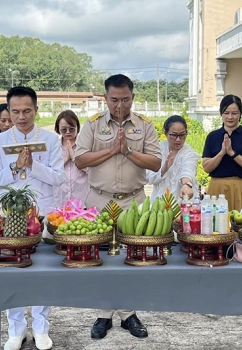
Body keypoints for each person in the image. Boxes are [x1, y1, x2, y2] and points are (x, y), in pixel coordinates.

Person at [75, 74, 161, 340]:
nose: (120, 105)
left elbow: (156, 163)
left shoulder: (145, 126)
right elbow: (80, 160)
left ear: (133, 97)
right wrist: (112, 149)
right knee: (100, 259)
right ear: (105, 98)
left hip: (133, 201)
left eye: (125, 99)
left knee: (132, 259)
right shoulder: (93, 125)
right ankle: (104, 314)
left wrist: (128, 152)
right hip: (100, 200)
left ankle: (128, 313)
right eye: (114, 100)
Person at [0, 86, 63, 350]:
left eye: (27, 110)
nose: (21, 117)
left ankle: (41, 328)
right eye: (15, 111)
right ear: (8, 111)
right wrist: (15, 167)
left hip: (43, 211)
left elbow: (58, 177)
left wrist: (32, 165)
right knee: (13, 272)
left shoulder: (51, 140)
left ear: (36, 109)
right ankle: (15, 329)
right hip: (10, 216)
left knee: (42, 270)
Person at [201, 94, 242, 212]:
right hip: (217, 188)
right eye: (226, 113)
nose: (230, 117)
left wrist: (232, 153)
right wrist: (222, 152)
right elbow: (206, 167)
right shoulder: (213, 136)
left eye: (234, 113)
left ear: (240, 114)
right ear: (221, 113)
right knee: (216, 227)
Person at [146, 114, 198, 201]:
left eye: (182, 135)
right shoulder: (157, 149)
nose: (178, 139)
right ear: (166, 133)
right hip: (159, 203)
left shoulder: (189, 153)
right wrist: (164, 169)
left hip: (183, 202)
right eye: (174, 135)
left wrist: (186, 184)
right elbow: (148, 177)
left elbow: (188, 170)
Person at [53, 110, 89, 206]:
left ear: (77, 127)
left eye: (72, 129)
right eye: (64, 130)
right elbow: (50, 171)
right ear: (58, 129)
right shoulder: (54, 146)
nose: (68, 132)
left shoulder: (85, 144)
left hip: (82, 199)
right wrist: (65, 159)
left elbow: (92, 170)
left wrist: (75, 158)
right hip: (61, 199)